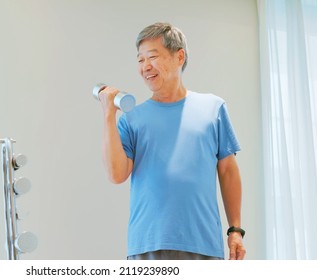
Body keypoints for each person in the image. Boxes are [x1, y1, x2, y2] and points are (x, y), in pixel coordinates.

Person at [97, 22, 246, 260]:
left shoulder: (213, 108)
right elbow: (116, 174)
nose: (145, 67)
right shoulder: (131, 119)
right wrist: (108, 115)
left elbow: (228, 171)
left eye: (152, 57)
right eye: (140, 60)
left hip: (202, 245)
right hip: (148, 246)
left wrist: (235, 229)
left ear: (179, 57)